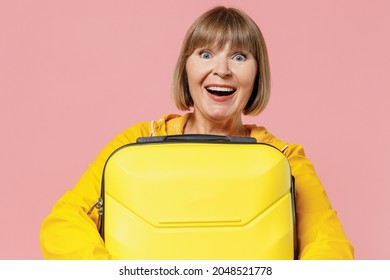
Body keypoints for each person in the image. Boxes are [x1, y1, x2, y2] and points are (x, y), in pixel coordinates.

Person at [39, 6, 354, 260]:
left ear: (257, 74)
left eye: (240, 57)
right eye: (205, 54)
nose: (222, 69)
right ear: (185, 68)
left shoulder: (286, 159)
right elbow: (64, 223)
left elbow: (330, 247)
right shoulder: (137, 143)